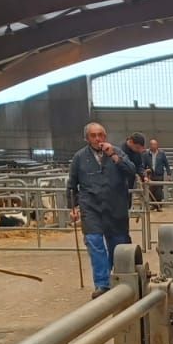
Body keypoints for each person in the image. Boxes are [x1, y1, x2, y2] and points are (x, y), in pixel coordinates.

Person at [67, 121, 136, 295]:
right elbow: (72, 185)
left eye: (101, 135)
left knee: (118, 246)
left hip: (116, 207)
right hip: (91, 208)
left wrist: (114, 156)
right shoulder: (79, 158)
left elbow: (131, 171)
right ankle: (102, 284)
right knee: (94, 243)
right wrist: (73, 207)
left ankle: (118, 278)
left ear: (105, 136)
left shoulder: (117, 153)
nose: (98, 138)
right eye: (93, 135)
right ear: (86, 138)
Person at [144, 138, 169, 203]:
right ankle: (154, 204)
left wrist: (169, 174)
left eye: (154, 144)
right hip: (151, 175)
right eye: (152, 144)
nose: (153, 146)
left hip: (159, 174)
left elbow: (166, 164)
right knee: (152, 190)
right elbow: (143, 165)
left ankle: (159, 205)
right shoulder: (146, 154)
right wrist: (145, 171)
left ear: (157, 145)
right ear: (150, 145)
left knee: (159, 190)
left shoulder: (162, 154)